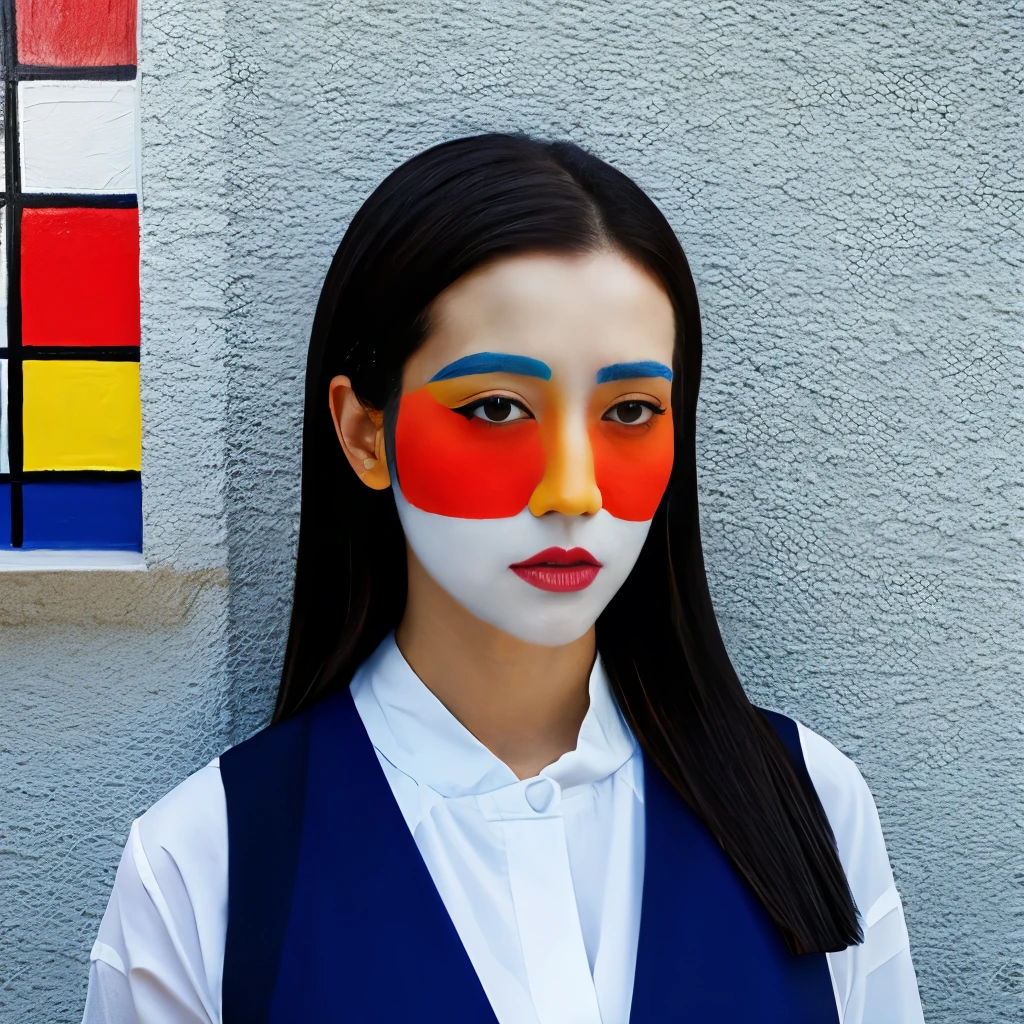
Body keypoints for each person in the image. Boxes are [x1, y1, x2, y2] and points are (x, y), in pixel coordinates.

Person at [82, 134, 925, 1023]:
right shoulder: (200, 867)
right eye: (495, 408)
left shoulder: (813, 804)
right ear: (366, 434)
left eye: (631, 411)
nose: (574, 488)